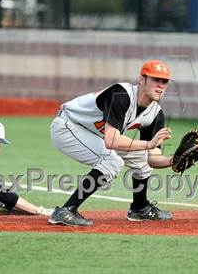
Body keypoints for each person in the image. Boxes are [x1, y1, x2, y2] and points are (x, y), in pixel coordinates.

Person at [48, 60, 174, 226]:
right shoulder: (121, 94)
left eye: (164, 81)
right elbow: (112, 140)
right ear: (142, 79)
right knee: (112, 161)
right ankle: (66, 210)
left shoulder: (155, 114)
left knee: (142, 159)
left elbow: (152, 159)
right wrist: (148, 144)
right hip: (68, 126)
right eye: (155, 79)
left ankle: (140, 208)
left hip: (95, 135)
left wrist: (174, 161)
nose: (160, 85)